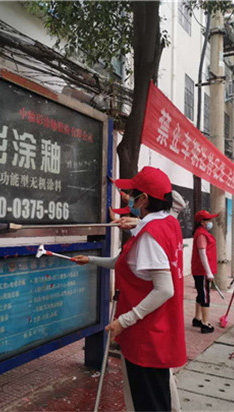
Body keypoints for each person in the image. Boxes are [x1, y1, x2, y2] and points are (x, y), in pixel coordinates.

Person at [73, 166, 185, 411]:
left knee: (149, 403)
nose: (129, 198)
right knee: (160, 395)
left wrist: (124, 321)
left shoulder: (150, 236)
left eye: (133, 193)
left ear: (144, 199)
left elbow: (164, 289)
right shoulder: (170, 224)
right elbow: (126, 262)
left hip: (146, 336)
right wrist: (90, 260)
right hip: (161, 330)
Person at [191, 210, 219, 333]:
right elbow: (202, 254)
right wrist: (208, 272)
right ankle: (205, 323)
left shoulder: (202, 233)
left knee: (200, 294)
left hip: (201, 270)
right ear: (202, 222)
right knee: (205, 296)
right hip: (202, 271)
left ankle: (197, 318)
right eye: (208, 220)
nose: (211, 222)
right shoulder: (201, 235)